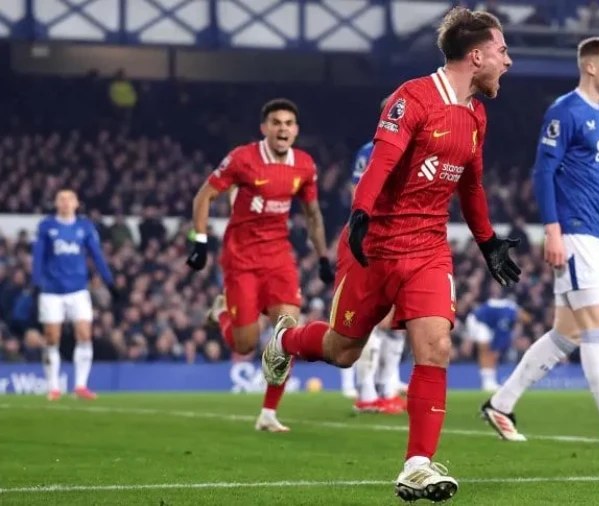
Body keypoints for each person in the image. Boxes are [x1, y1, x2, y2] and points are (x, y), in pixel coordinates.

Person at [261, 7, 518, 502]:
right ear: (477, 55)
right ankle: (288, 340)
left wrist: (486, 241)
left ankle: (416, 465)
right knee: (343, 350)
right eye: (503, 51)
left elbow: (472, 185)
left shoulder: (476, 115)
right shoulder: (413, 97)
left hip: (428, 249)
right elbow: (379, 165)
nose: (508, 61)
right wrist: (360, 214)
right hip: (375, 245)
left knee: (436, 346)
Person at [481, 37, 599, 444]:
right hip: (575, 232)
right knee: (597, 327)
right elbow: (542, 173)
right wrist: (553, 231)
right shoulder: (564, 112)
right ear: (590, 67)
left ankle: (500, 404)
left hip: (593, 235)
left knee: (566, 334)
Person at [186, 98, 334, 433]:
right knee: (245, 344)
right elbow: (203, 197)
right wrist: (199, 242)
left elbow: (312, 214)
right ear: (264, 128)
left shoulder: (305, 166)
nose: (283, 128)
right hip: (241, 259)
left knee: (286, 333)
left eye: (289, 123)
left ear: (295, 130)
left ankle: (268, 413)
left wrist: (323, 256)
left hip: (278, 258)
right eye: (276, 122)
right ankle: (222, 312)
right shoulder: (243, 159)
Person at [349, 103, 409, 413]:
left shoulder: (418, 150)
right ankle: (367, 393)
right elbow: (357, 192)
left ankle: (387, 388)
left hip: (406, 242)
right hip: (376, 243)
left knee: (399, 322)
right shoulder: (368, 151)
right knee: (372, 319)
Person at [32, 189, 118, 400]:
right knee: (52, 337)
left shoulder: (85, 227)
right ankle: (53, 386)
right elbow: (38, 257)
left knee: (84, 334)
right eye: (61, 199)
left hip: (78, 290)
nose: (66, 202)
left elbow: (96, 256)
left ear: (77, 203)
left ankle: (80, 385)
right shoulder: (46, 227)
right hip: (52, 290)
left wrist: (110, 282)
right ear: (55, 203)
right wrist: (36, 283)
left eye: (70, 199)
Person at [464, 285, 521, 392]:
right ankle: (487, 382)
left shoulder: (509, 310)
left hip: (487, 324)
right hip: (477, 322)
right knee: (486, 350)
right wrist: (469, 339)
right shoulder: (508, 312)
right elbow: (500, 333)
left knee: (491, 352)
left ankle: (490, 381)